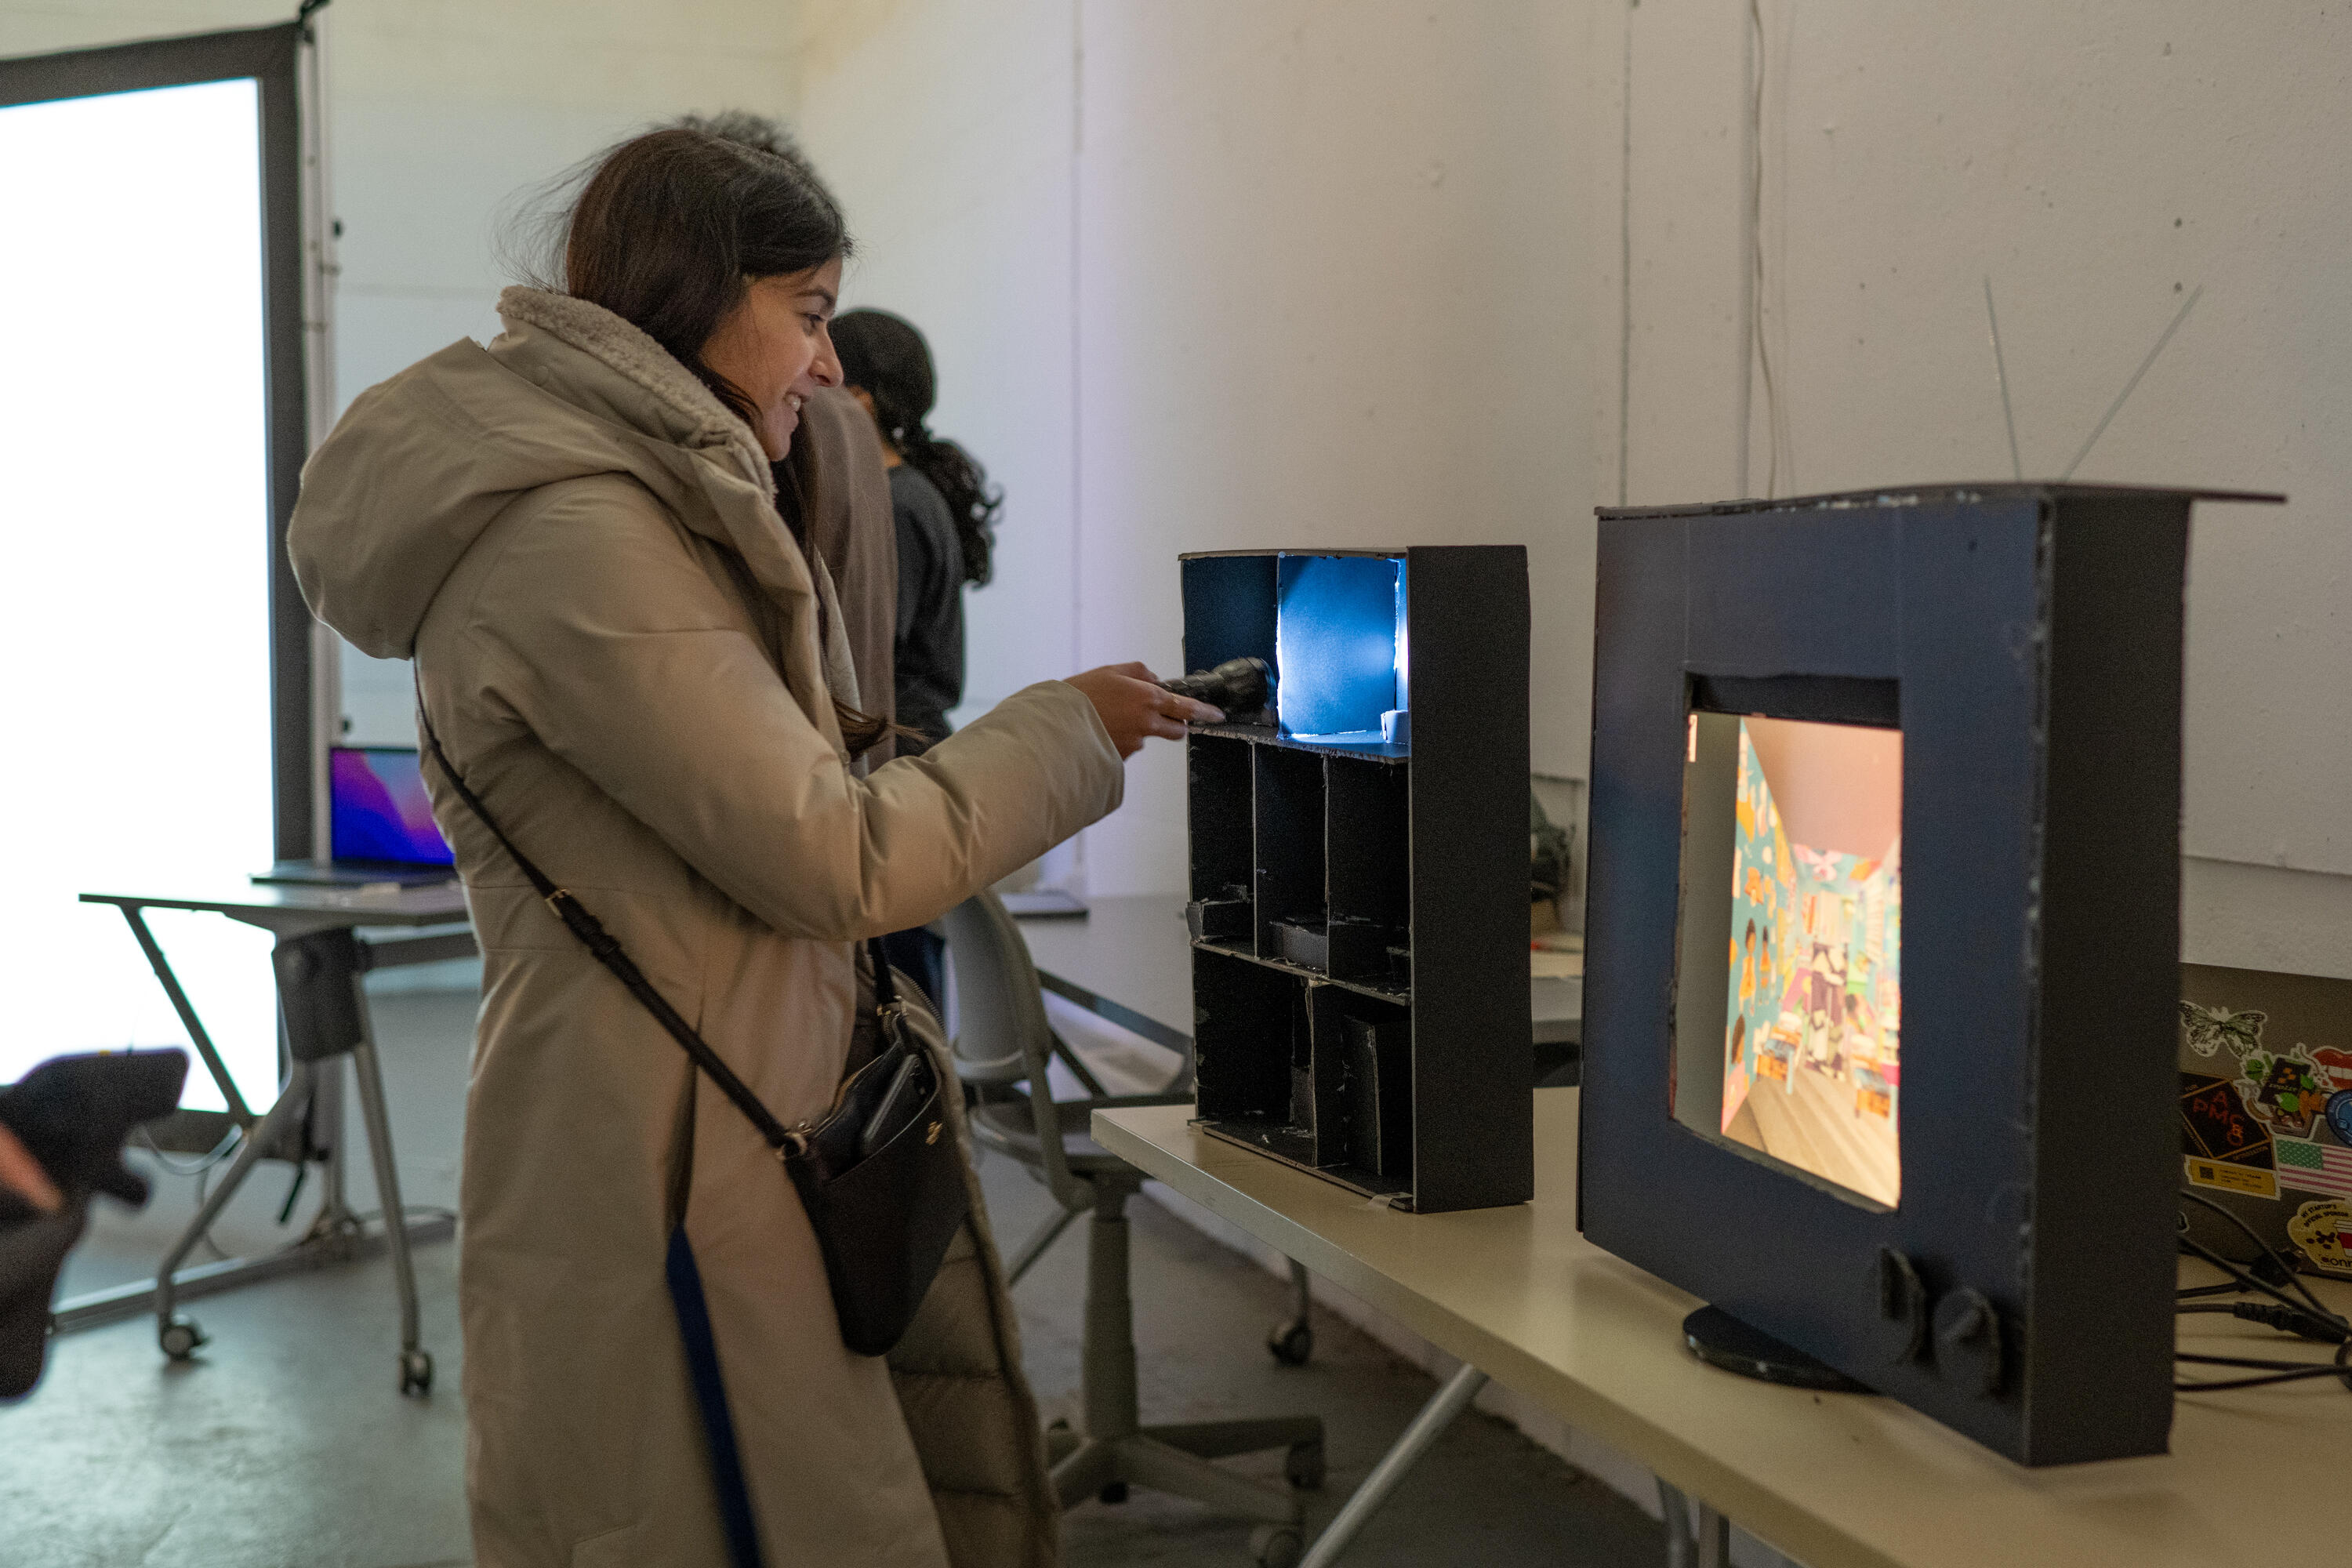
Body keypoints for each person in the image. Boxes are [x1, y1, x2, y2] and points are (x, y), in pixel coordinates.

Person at [289, 126, 1219, 1568]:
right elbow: (832, 860)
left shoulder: (626, 510)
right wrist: (1069, 732)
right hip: (665, 1163)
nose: (832, 369)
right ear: (702, 297)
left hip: (715, 1122)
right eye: (811, 315)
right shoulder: (581, 540)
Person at [828, 309, 996, 757]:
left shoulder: (895, 504)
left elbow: (866, 655)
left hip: (897, 755)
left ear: (858, 400)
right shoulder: (902, 492)